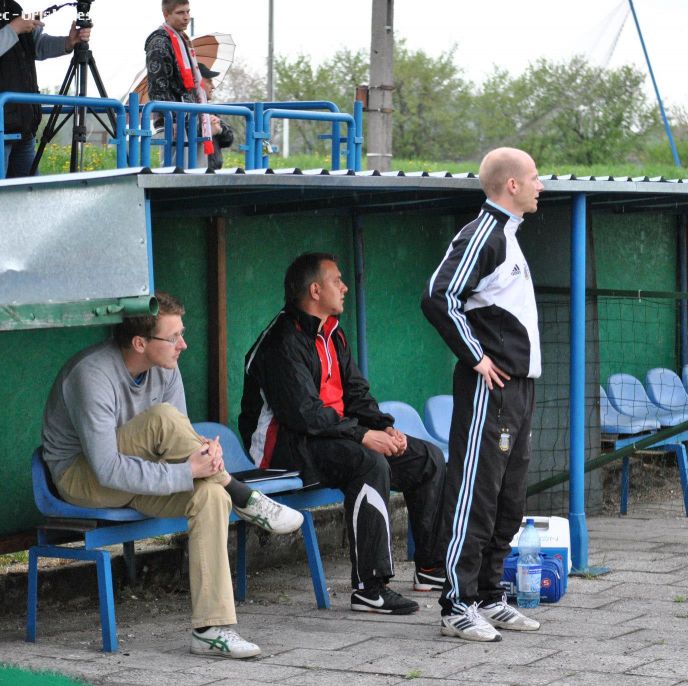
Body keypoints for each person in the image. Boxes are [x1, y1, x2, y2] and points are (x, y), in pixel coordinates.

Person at [41, 292, 303, 659]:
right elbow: (109, 468)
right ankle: (241, 493)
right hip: (83, 477)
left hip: (141, 474)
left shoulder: (166, 366)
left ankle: (210, 630)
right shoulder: (92, 375)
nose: (183, 344)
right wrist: (191, 468)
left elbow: (181, 443)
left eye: (182, 333)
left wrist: (205, 457)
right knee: (162, 420)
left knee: (209, 495)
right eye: (174, 337)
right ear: (140, 343)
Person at [240, 253, 446, 615]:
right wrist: (364, 436)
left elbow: (356, 394)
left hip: (327, 436)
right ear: (315, 290)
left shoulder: (333, 333)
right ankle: (370, 587)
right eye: (337, 280)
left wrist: (384, 426)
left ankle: (430, 568)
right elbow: (304, 413)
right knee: (368, 462)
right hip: (282, 446)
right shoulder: (281, 341)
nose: (345, 287)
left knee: (426, 458)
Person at [421, 147, 545, 642]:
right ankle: (456, 603)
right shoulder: (483, 234)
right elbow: (438, 295)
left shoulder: (509, 236)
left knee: (509, 497)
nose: (540, 186)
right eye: (534, 177)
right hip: (488, 388)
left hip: (518, 389)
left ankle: (490, 595)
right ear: (511, 184)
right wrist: (475, 355)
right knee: (476, 493)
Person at [0, 0, 90, 178]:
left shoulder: (13, 8)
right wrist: (14, 28)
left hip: (22, 125)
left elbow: (36, 45)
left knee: (28, 192)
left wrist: (68, 42)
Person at [145, 0, 214, 164]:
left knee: (196, 170)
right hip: (174, 121)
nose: (186, 17)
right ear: (166, 14)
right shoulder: (159, 42)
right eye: (180, 12)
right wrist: (171, 120)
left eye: (188, 12)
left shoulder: (183, 40)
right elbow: (158, 86)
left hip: (190, 117)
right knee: (177, 170)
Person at [198, 63, 233, 172]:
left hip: (214, 170)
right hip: (197, 172)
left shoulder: (210, 110)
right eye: (209, 81)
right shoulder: (185, 110)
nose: (213, 86)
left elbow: (229, 139)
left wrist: (219, 130)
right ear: (197, 82)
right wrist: (205, 131)